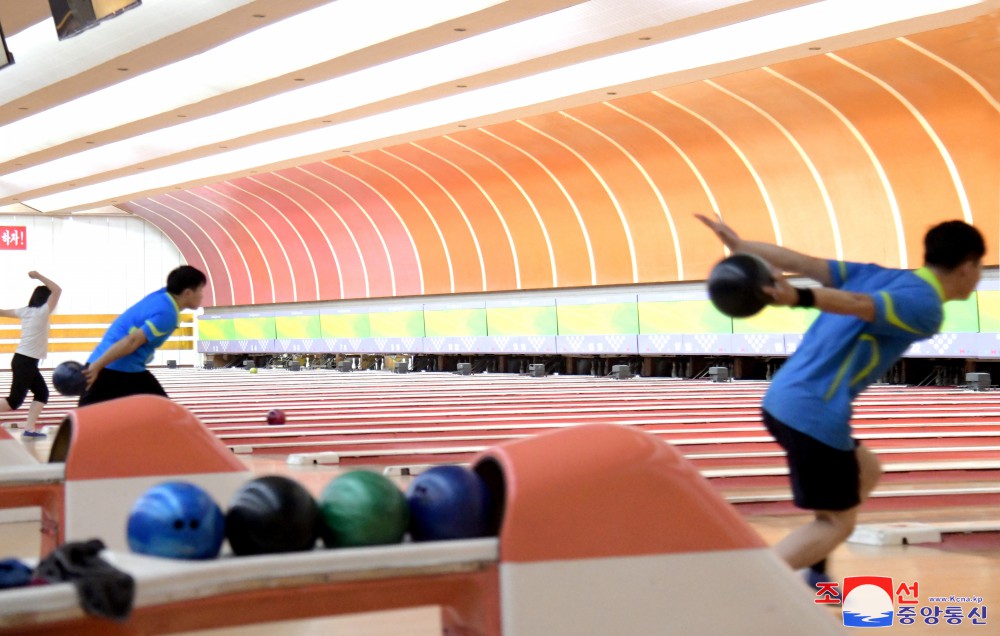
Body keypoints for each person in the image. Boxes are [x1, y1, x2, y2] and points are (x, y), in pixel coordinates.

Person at [696, 214, 985, 585]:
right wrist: (797, 297)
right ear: (966, 267)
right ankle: (747, 590)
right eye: (979, 268)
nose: (978, 277)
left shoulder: (877, 273)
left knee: (867, 470)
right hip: (813, 411)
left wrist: (744, 249)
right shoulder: (926, 307)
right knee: (836, 523)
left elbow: (802, 263)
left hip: (784, 399)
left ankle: (817, 567)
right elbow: (859, 304)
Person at [79, 266, 206, 406]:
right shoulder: (168, 314)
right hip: (114, 370)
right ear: (188, 293)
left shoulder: (163, 296)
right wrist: (97, 367)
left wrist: (97, 365)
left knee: (161, 412)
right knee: (164, 413)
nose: (202, 295)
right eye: (200, 290)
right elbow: (132, 341)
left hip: (113, 365)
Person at [0, 272, 62, 439]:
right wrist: (38, 275)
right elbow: (57, 290)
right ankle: (29, 429)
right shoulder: (42, 312)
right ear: (46, 299)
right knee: (14, 402)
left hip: (25, 361)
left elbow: (2, 312)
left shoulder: (25, 312)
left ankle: (29, 429)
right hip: (25, 361)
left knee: (42, 393)